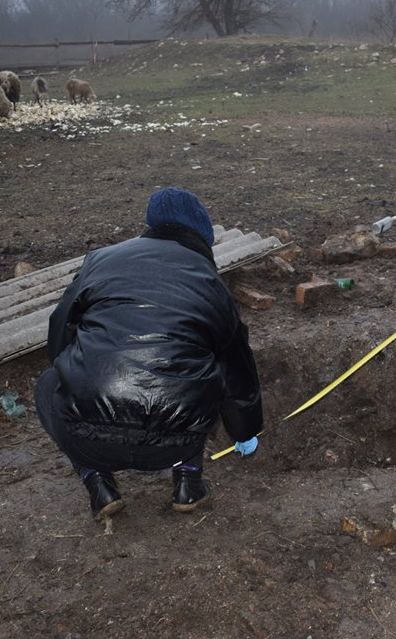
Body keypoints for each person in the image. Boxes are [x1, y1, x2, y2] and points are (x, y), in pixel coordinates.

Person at [34, 187, 263, 520]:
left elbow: (58, 337)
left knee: (46, 384)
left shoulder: (100, 260)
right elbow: (238, 373)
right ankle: (188, 483)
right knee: (204, 367)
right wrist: (245, 433)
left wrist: (83, 369)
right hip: (176, 442)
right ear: (202, 238)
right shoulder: (210, 283)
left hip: (89, 439)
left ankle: (98, 483)